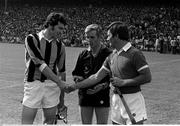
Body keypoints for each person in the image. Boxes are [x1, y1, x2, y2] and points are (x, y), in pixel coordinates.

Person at [67, 21, 152, 125]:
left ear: (116, 36)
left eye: (109, 36)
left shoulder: (135, 53)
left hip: (132, 99)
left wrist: (124, 82)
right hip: (116, 99)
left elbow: (147, 77)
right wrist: (74, 87)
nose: (107, 39)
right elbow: (96, 77)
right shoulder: (112, 55)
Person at [22, 12, 68, 124]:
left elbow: (62, 72)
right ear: (51, 25)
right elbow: (40, 63)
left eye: (63, 29)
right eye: (60, 28)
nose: (62, 32)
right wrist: (59, 81)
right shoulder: (31, 39)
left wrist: (61, 100)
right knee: (26, 122)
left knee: (49, 123)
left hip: (52, 87)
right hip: (33, 84)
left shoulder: (60, 46)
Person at [72, 24, 112, 124]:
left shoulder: (108, 54)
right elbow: (76, 73)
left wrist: (102, 85)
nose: (89, 40)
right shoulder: (83, 54)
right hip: (85, 94)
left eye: (92, 37)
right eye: (87, 37)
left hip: (102, 94)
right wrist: (78, 79)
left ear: (100, 37)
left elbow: (113, 78)